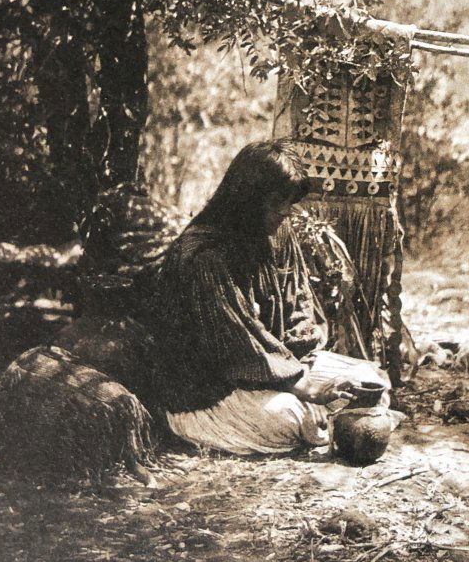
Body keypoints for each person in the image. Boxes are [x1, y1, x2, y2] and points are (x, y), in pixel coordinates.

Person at [147, 140, 375, 455]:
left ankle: (332, 423)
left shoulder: (279, 234)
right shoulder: (202, 256)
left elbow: (299, 311)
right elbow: (237, 345)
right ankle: (331, 426)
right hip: (212, 392)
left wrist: (307, 366)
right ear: (247, 199)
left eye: (289, 201)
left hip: (279, 368)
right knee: (291, 418)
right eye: (276, 202)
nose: (285, 211)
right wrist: (305, 388)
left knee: (370, 378)